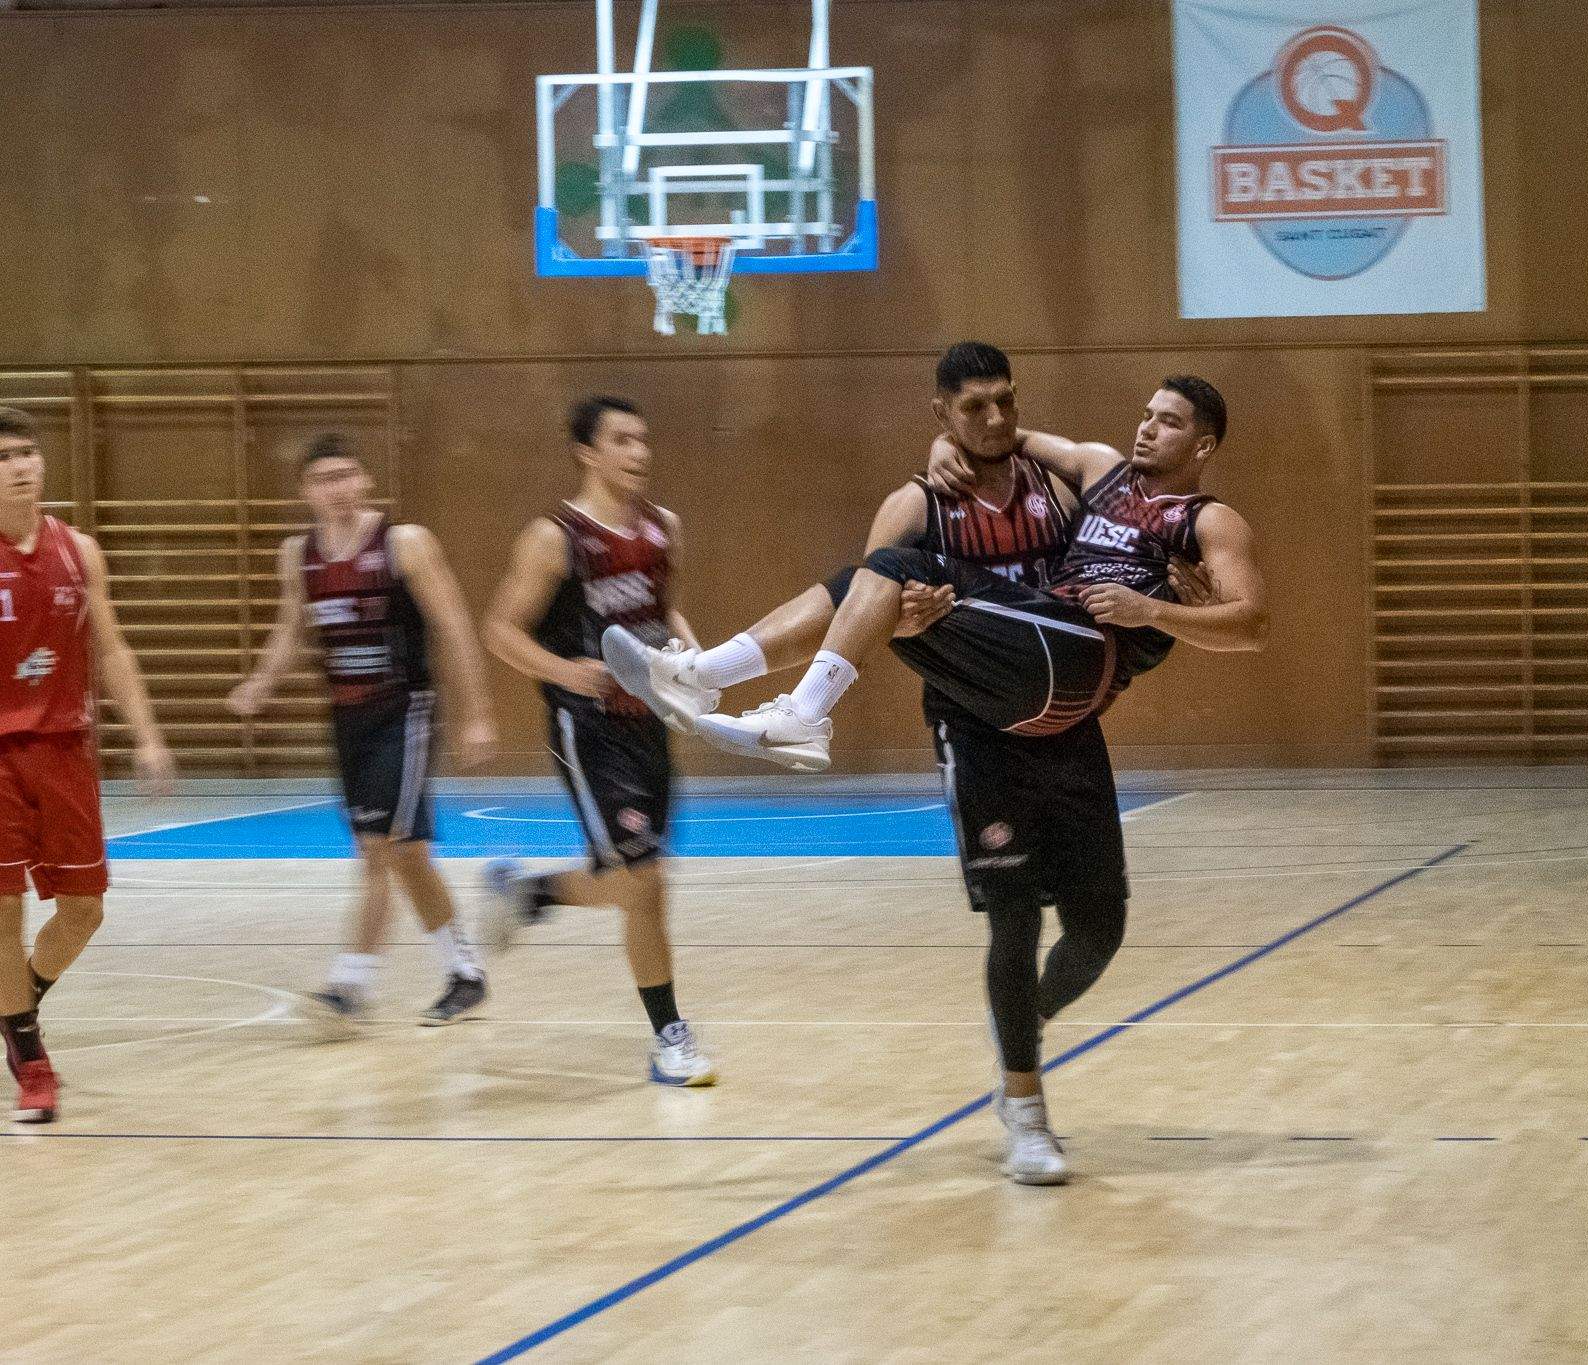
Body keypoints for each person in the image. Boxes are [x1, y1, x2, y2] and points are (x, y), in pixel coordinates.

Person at [609, 373, 1266, 1169]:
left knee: (1100, 930)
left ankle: (1020, 1019)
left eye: (1169, 423)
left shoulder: (1209, 519)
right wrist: (942, 442)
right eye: (1147, 414)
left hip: (1078, 662)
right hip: (1020, 657)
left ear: (1203, 444)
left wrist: (1155, 610)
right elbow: (1000, 437)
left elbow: (1251, 623)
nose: (1147, 429)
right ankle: (1025, 1109)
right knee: (885, 574)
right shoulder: (1097, 467)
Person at [482, 395, 715, 1086]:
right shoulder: (554, 538)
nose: (639, 452)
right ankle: (670, 1036)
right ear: (587, 452)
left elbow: (662, 609)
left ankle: (532, 893)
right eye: (621, 440)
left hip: (649, 723)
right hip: (587, 728)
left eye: (643, 439)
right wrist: (563, 672)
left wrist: (696, 660)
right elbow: (500, 630)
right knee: (644, 879)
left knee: (642, 882)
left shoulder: (664, 528)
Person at [228, 434, 496, 1032]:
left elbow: (454, 627)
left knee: (379, 849)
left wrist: (477, 714)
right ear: (307, 491)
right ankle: (465, 973)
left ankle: (350, 986)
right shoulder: (298, 555)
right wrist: (261, 683)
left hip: (405, 711)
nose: (341, 488)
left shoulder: (405, 543)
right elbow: (290, 628)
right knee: (408, 856)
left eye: (349, 474)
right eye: (326, 479)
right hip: (348, 719)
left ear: (366, 480)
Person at [0, 406, 175, 1123]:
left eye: (27, 452)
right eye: (5, 456)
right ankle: (31, 1059)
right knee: (3, 910)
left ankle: (17, 1002)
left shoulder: (80, 550)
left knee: (83, 911)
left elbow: (112, 648)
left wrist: (147, 735)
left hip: (66, 750)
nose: (21, 466)